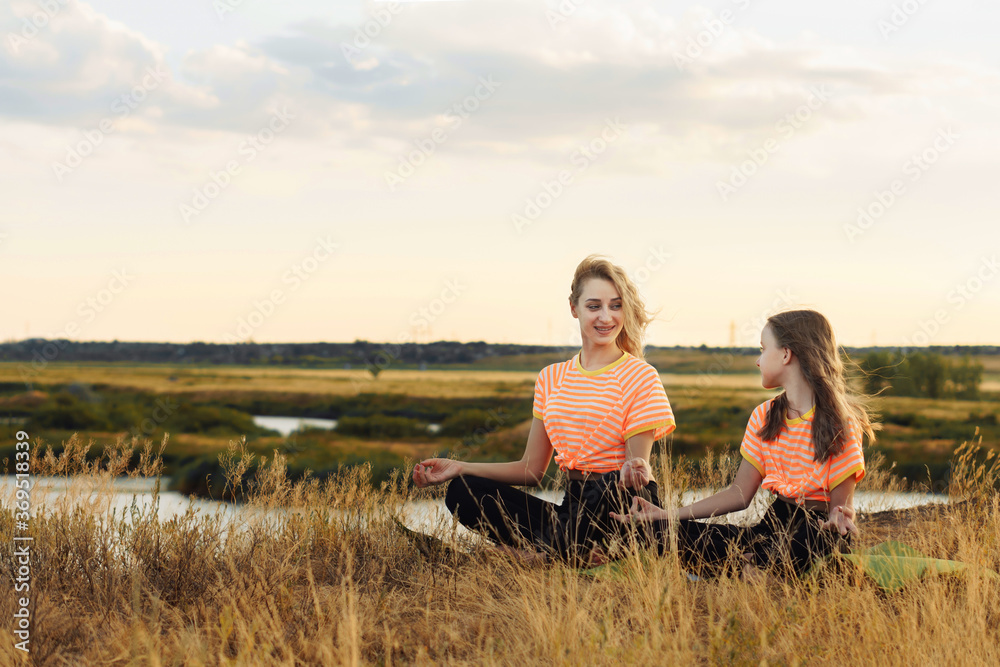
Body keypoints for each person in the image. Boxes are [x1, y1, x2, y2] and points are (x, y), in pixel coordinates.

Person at [412, 255, 676, 565]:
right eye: (594, 306)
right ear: (573, 308)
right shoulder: (551, 378)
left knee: (604, 492)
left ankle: (539, 556)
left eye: (616, 306)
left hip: (619, 503)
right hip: (572, 507)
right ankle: (565, 553)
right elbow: (530, 469)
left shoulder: (640, 375)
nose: (606, 317)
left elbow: (636, 469)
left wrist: (636, 467)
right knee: (463, 491)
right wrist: (461, 467)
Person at [611, 309, 878, 578]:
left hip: (815, 529)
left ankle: (747, 567)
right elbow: (738, 495)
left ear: (786, 354)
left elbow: (840, 509)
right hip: (774, 524)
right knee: (663, 532)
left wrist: (839, 518)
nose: (758, 361)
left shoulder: (838, 423)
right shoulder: (764, 416)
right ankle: (751, 566)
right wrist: (665, 515)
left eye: (763, 349)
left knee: (814, 539)